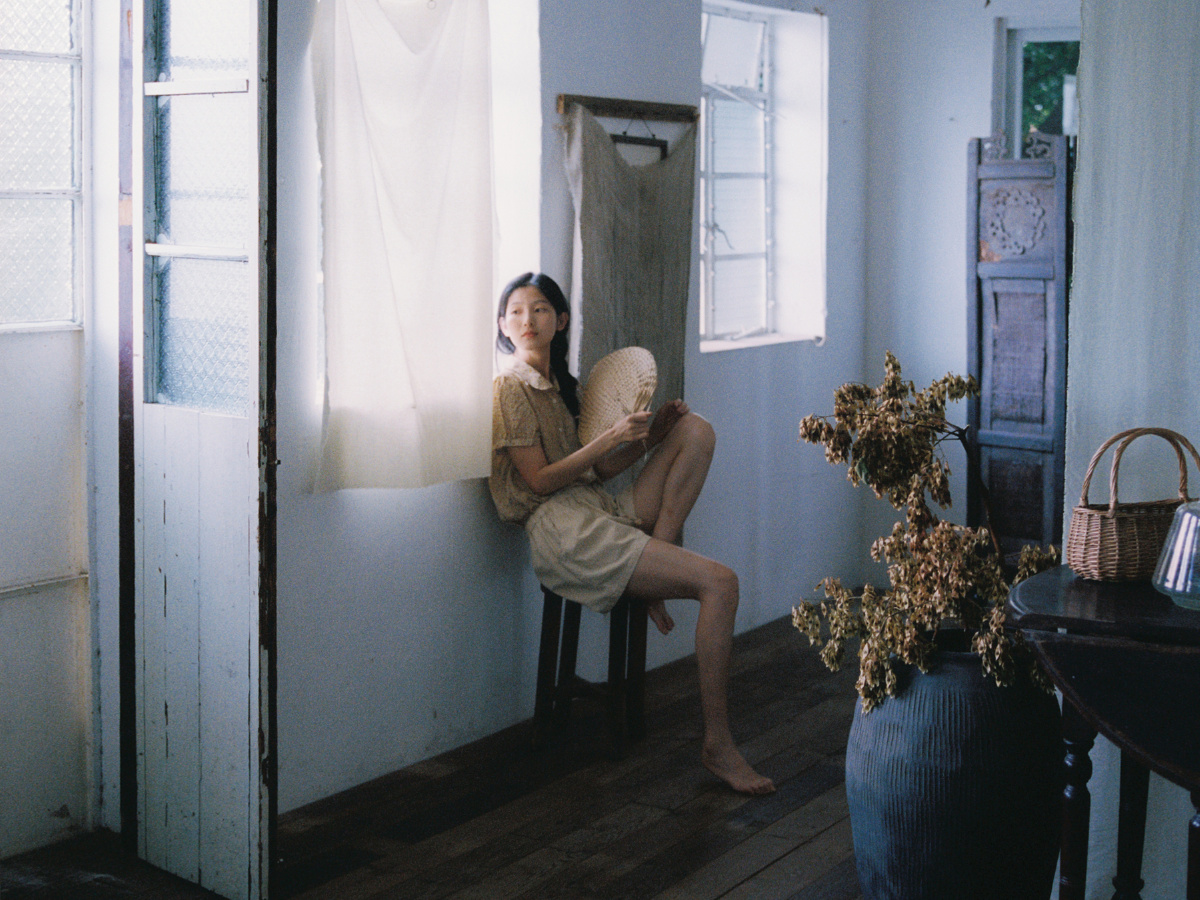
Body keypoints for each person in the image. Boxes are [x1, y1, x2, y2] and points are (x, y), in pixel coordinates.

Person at [489, 271, 774, 796]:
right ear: (503, 326)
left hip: (595, 509)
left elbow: (596, 472)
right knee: (722, 584)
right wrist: (612, 437)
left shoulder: (562, 387)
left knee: (695, 430)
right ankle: (718, 744)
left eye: (541, 309)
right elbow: (540, 481)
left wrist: (650, 437)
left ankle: (655, 565)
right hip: (562, 531)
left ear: (561, 320)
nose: (528, 320)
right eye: (516, 312)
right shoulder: (510, 387)